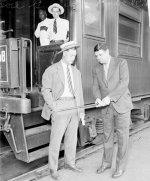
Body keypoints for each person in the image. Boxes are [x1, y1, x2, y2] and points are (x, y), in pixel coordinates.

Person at [41, 41, 85, 180]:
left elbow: (80, 92)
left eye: (75, 55)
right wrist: (54, 107)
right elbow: (45, 90)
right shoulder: (52, 69)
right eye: (71, 55)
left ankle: (69, 163)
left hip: (74, 105)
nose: (73, 58)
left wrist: (81, 111)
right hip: (59, 105)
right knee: (56, 139)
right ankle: (53, 168)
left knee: (72, 138)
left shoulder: (76, 72)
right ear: (64, 54)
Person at [92, 42, 133, 178]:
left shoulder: (121, 63)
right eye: (96, 56)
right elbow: (95, 86)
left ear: (107, 52)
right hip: (106, 107)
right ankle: (106, 162)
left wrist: (109, 97)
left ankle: (120, 167)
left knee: (122, 137)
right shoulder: (96, 68)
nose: (98, 58)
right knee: (107, 136)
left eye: (100, 55)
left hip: (121, 105)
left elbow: (124, 83)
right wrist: (98, 98)